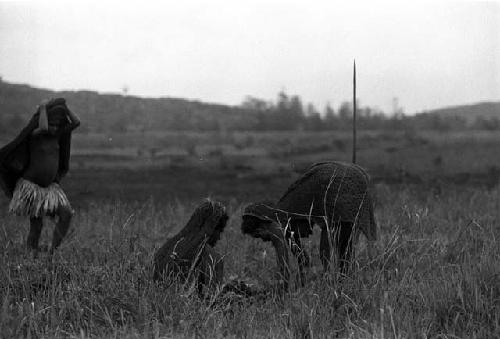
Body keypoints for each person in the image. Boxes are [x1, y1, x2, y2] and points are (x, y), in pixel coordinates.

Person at [0, 98, 80, 256]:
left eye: (58, 123)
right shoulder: (36, 134)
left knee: (66, 214)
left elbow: (76, 122)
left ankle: (52, 252)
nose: (55, 126)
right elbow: (43, 127)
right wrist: (43, 107)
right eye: (53, 121)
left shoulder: (57, 136)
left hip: (50, 189)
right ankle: (31, 256)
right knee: (36, 226)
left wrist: (65, 108)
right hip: (31, 187)